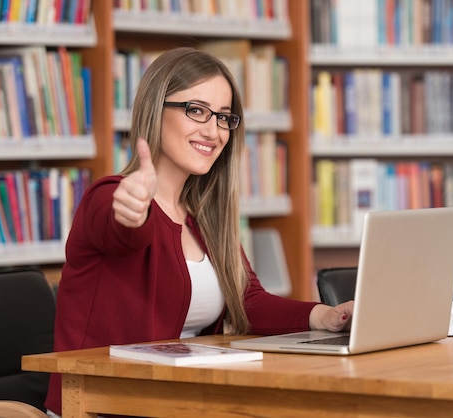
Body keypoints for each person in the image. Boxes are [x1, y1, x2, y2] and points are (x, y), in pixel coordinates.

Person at [44, 47, 353, 416]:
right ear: (155, 109)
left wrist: (324, 316)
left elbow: (248, 300)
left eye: (224, 117)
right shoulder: (108, 196)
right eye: (196, 110)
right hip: (102, 406)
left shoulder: (203, 218)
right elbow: (125, 232)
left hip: (182, 403)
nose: (213, 130)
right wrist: (131, 211)